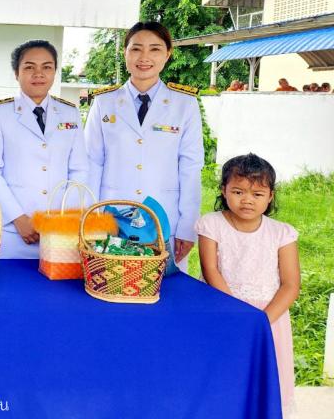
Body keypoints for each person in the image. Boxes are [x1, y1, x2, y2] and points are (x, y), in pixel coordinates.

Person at [84, 21, 203, 271]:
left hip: (164, 220)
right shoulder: (104, 102)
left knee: (162, 289)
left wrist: (187, 227)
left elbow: (191, 168)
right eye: (136, 49)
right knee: (110, 282)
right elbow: (92, 162)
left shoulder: (185, 104)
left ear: (168, 54)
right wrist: (90, 215)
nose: (144, 58)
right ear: (125, 53)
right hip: (111, 216)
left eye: (155, 49)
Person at [196, 154, 300, 409]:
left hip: (268, 319)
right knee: (223, 377)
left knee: (262, 381)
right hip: (223, 312)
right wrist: (237, 316)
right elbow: (210, 270)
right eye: (238, 191)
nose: (247, 200)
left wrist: (261, 321)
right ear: (223, 190)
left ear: (270, 196)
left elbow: (290, 284)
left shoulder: (282, 232)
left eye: (257, 194)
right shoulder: (211, 225)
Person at [0, 40, 88, 258]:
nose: (38, 73)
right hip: (13, 231)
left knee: (57, 290)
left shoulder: (70, 113)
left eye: (46, 67)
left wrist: (64, 219)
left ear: (55, 72)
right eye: (29, 67)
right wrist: (19, 218)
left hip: (59, 232)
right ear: (16, 73)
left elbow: (79, 170)